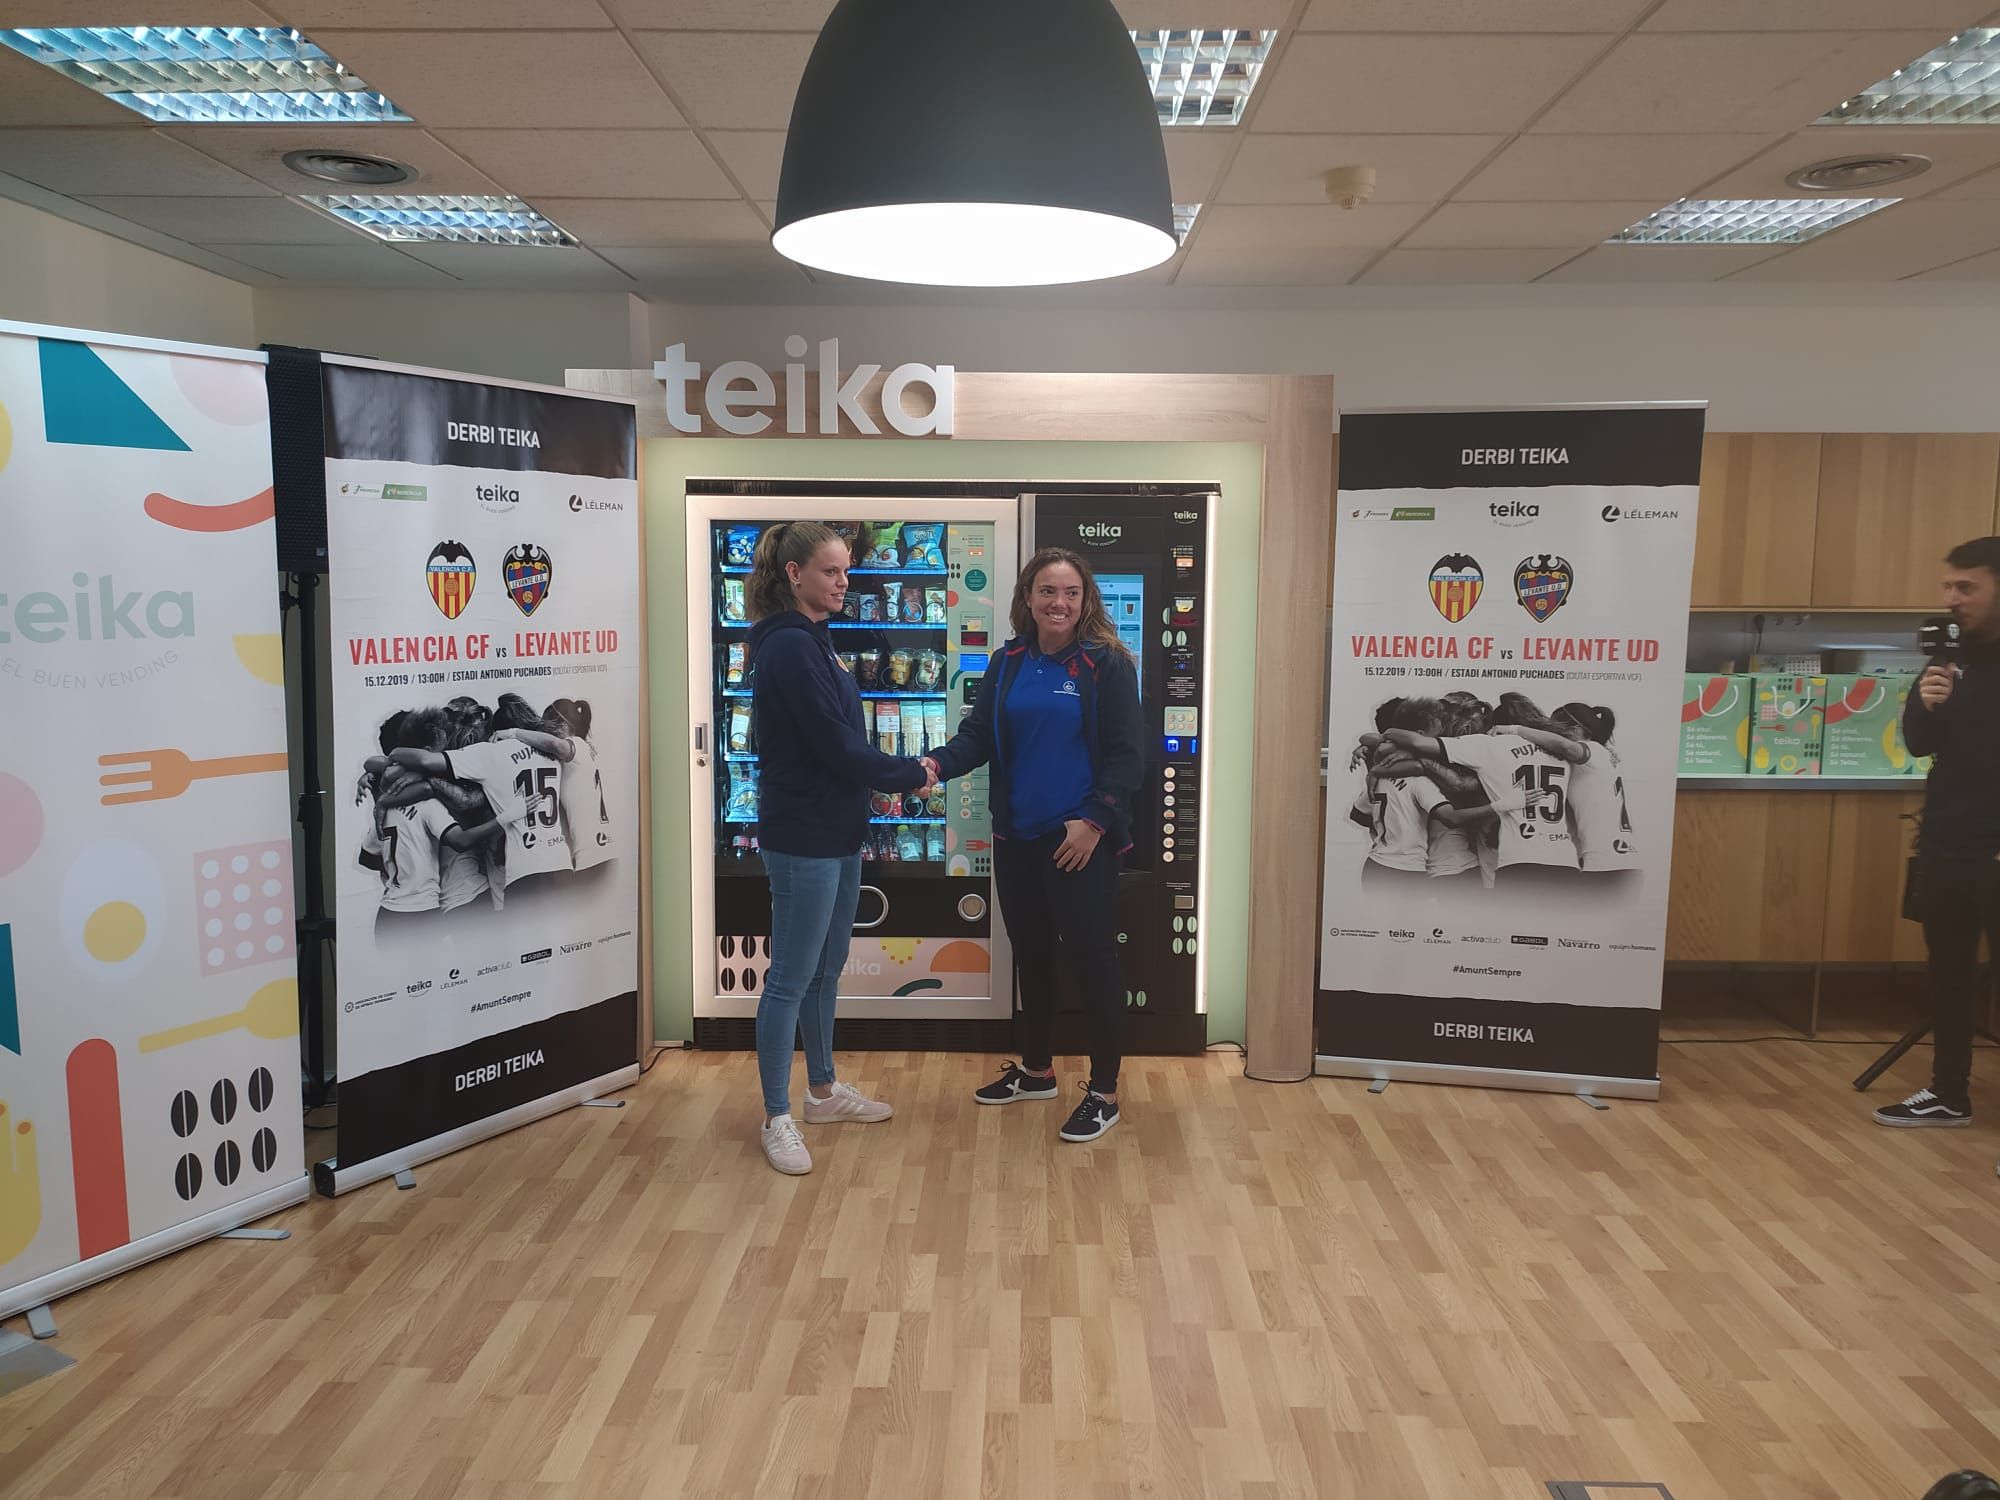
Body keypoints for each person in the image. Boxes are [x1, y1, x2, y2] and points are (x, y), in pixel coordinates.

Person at [923, 547, 1144, 1143]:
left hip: (1078, 842)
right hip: (1015, 839)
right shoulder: (1009, 661)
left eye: (1071, 593)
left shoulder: (1107, 664)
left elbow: (1128, 755)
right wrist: (932, 765)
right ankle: (1038, 1070)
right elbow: (976, 738)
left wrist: (1093, 821)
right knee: (1034, 957)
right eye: (1047, 591)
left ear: (1086, 600)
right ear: (1027, 598)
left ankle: (1104, 1092)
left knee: (1095, 963)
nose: (1059, 603)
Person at [746, 521, 933, 1175]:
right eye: (830, 571)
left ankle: (821, 1092)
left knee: (825, 970)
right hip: (805, 838)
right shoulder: (790, 648)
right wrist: (911, 773)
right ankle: (777, 1115)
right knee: (789, 980)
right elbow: (835, 744)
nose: (842, 583)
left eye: (847, 571)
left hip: (836, 832)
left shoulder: (813, 642)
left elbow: (836, 742)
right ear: (794, 574)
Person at [1875, 537, 2000, 1130]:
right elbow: (1920, 742)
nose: (1952, 599)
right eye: (1947, 587)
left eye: (1966, 587)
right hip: (1949, 844)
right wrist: (1927, 703)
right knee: (1948, 977)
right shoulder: (1949, 656)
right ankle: (1948, 1092)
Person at [1492, 701, 1636, 873]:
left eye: (1556, 732)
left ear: (1575, 730)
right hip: (1620, 858)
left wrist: (1514, 729)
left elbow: (1564, 746)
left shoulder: (1593, 750)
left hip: (1606, 860)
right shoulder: (1605, 756)